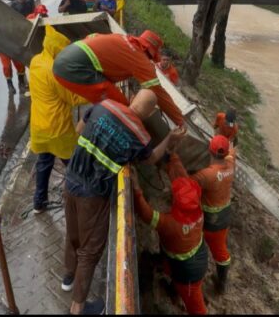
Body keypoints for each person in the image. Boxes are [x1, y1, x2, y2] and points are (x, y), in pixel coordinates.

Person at [63, 90, 184, 315]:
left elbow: (79, 130)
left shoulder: (104, 106)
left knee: (73, 233)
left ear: (133, 98)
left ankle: (68, 276)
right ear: (150, 112)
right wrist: (170, 138)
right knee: (90, 250)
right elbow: (152, 159)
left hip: (71, 178)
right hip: (94, 193)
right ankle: (77, 308)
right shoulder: (140, 135)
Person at [53, 31, 185, 127]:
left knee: (106, 104)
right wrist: (180, 121)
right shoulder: (139, 57)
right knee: (122, 110)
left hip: (64, 60)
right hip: (74, 68)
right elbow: (158, 92)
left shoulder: (120, 38)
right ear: (149, 52)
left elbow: (92, 37)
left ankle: (82, 133)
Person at [28, 26, 88, 213]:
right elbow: (73, 98)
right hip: (57, 128)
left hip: (39, 126)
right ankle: (82, 200)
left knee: (44, 163)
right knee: (75, 165)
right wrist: (96, 93)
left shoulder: (36, 61)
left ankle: (39, 203)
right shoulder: (54, 71)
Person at [169, 135, 235, 294]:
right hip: (224, 216)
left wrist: (174, 158)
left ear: (209, 150)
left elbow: (186, 185)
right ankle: (221, 283)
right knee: (221, 252)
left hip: (207, 222)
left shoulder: (206, 175)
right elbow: (233, 152)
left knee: (192, 249)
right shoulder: (231, 164)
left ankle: (178, 287)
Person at [133, 173, 208, 314]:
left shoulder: (169, 224)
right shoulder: (198, 212)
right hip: (194, 258)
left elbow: (145, 213)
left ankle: (177, 292)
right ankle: (174, 291)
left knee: (197, 309)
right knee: (171, 269)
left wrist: (137, 189)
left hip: (189, 275)